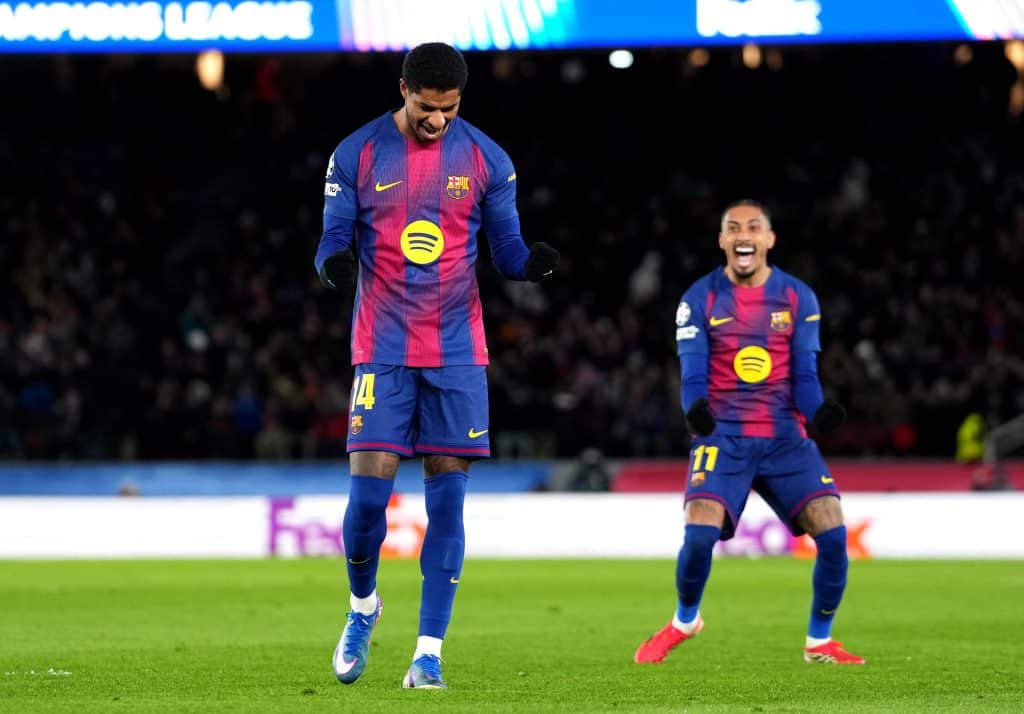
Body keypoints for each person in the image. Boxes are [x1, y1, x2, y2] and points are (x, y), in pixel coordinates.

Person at [315, 42, 559, 690]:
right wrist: (334, 265)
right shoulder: (358, 153)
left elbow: (503, 246)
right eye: (427, 108)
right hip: (384, 348)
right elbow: (333, 236)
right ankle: (364, 605)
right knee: (368, 500)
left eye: (449, 110)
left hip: (457, 352)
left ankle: (428, 655)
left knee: (447, 505)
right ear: (404, 90)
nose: (437, 121)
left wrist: (527, 261)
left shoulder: (487, 159)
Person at [634, 200, 865, 666]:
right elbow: (693, 375)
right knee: (698, 539)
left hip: (785, 437)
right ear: (722, 241)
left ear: (769, 239)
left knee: (835, 534)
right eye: (734, 228)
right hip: (723, 436)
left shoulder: (798, 297)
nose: (744, 235)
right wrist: (695, 412)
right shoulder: (699, 298)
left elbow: (805, 375)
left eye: (754, 227)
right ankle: (685, 621)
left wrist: (819, 413)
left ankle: (819, 641)